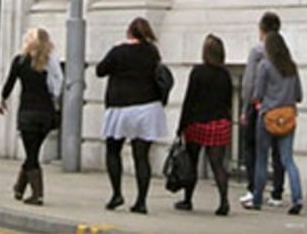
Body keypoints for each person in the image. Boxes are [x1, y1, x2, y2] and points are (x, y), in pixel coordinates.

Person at [96, 17, 168, 214]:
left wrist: (117, 51)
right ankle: (141, 201)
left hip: (121, 106)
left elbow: (100, 70)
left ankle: (117, 193)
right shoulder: (152, 52)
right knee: (141, 156)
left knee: (113, 150)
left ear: (129, 32)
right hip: (148, 106)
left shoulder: (119, 51)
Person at [0, 27, 63, 206]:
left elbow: (9, 83)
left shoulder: (20, 61)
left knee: (32, 154)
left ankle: (37, 194)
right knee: (33, 152)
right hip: (46, 114)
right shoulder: (50, 62)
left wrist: (3, 99)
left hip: (28, 113)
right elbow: (58, 85)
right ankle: (19, 188)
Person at [244, 32, 303, 215]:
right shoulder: (292, 67)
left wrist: (258, 102)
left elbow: (258, 94)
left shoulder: (265, 66)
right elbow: (299, 95)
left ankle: (257, 199)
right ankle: (297, 197)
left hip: (268, 115)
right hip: (288, 117)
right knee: (288, 159)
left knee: (262, 159)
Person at [174, 34, 232, 216]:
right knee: (217, 164)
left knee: (192, 162)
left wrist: (181, 126)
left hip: (197, 122)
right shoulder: (225, 74)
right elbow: (228, 101)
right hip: (219, 122)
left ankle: (188, 199)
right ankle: (224, 201)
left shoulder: (198, 72)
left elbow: (189, 100)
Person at [240, 12, 285, 206]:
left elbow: (249, 82)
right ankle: (277, 192)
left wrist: (245, 107)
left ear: (262, 30)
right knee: (277, 150)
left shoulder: (257, 51)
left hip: (259, 105)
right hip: (280, 105)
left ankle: (253, 189)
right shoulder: (284, 52)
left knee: (253, 147)